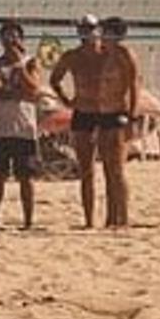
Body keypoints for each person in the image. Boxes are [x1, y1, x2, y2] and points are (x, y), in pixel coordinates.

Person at [50, 14, 141, 229]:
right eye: (82, 28)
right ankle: (90, 221)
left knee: (115, 170)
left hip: (113, 112)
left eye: (90, 28)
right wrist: (67, 101)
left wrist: (132, 116)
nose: (86, 32)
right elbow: (55, 79)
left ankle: (118, 219)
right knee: (86, 170)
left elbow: (134, 84)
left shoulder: (117, 54)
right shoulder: (72, 56)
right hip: (85, 112)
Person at [0, 19, 42, 230]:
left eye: (14, 35)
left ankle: (28, 222)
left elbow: (35, 90)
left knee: (26, 178)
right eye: (6, 36)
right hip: (0, 129)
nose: (10, 40)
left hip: (24, 129)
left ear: (21, 39)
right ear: (0, 39)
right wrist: (20, 92)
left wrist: (19, 66)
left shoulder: (31, 62)